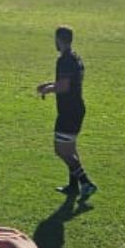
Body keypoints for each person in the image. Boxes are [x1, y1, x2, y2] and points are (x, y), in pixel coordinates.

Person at [36, 26, 95, 201]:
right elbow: (67, 81)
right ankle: (73, 186)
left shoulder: (65, 60)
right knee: (70, 149)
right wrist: (48, 84)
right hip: (76, 109)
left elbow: (63, 86)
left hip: (69, 112)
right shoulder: (75, 57)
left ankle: (86, 182)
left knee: (61, 150)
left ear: (59, 40)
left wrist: (47, 89)